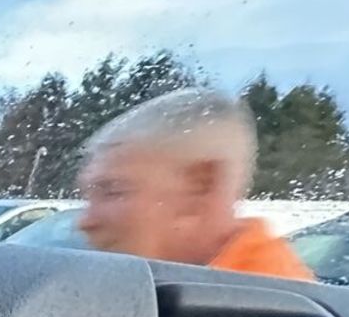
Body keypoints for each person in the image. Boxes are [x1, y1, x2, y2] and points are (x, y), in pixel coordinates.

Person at [77, 88, 314, 279]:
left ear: (200, 186)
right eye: (90, 196)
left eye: (114, 191)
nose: (86, 222)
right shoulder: (178, 298)